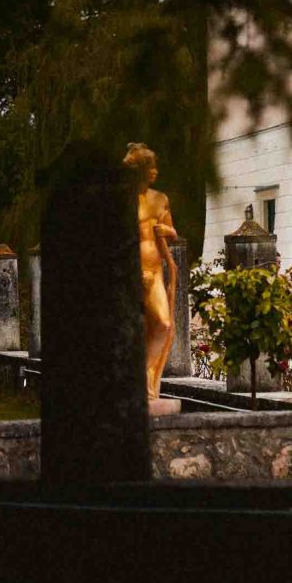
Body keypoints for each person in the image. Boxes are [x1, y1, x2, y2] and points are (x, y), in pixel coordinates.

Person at [123, 142, 178, 401]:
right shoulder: (122, 199)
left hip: (155, 270)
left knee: (163, 325)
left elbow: (173, 233)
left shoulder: (160, 199)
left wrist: (165, 231)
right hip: (130, 273)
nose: (155, 171)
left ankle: (146, 372)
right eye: (150, 167)